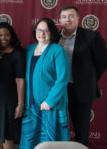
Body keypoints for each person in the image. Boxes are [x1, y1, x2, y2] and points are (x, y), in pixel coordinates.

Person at [58, 5, 107, 146]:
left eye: (71, 16)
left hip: (80, 90)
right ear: (60, 20)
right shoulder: (54, 37)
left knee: (81, 130)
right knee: (58, 127)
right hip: (59, 90)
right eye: (64, 17)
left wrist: (87, 79)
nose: (67, 19)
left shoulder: (92, 36)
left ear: (78, 18)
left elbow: (102, 62)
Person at [19, 18, 70, 149]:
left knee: (50, 143)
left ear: (51, 32)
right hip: (31, 107)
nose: (41, 33)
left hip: (50, 107)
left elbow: (63, 79)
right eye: (39, 29)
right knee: (29, 141)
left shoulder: (57, 50)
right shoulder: (28, 50)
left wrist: (50, 101)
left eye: (46, 30)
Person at [0, 22, 25, 149]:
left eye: (6, 35)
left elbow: (20, 80)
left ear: (11, 37)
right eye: (0, 35)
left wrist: (20, 104)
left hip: (9, 100)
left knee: (7, 135)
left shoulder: (17, 54)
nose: (3, 38)